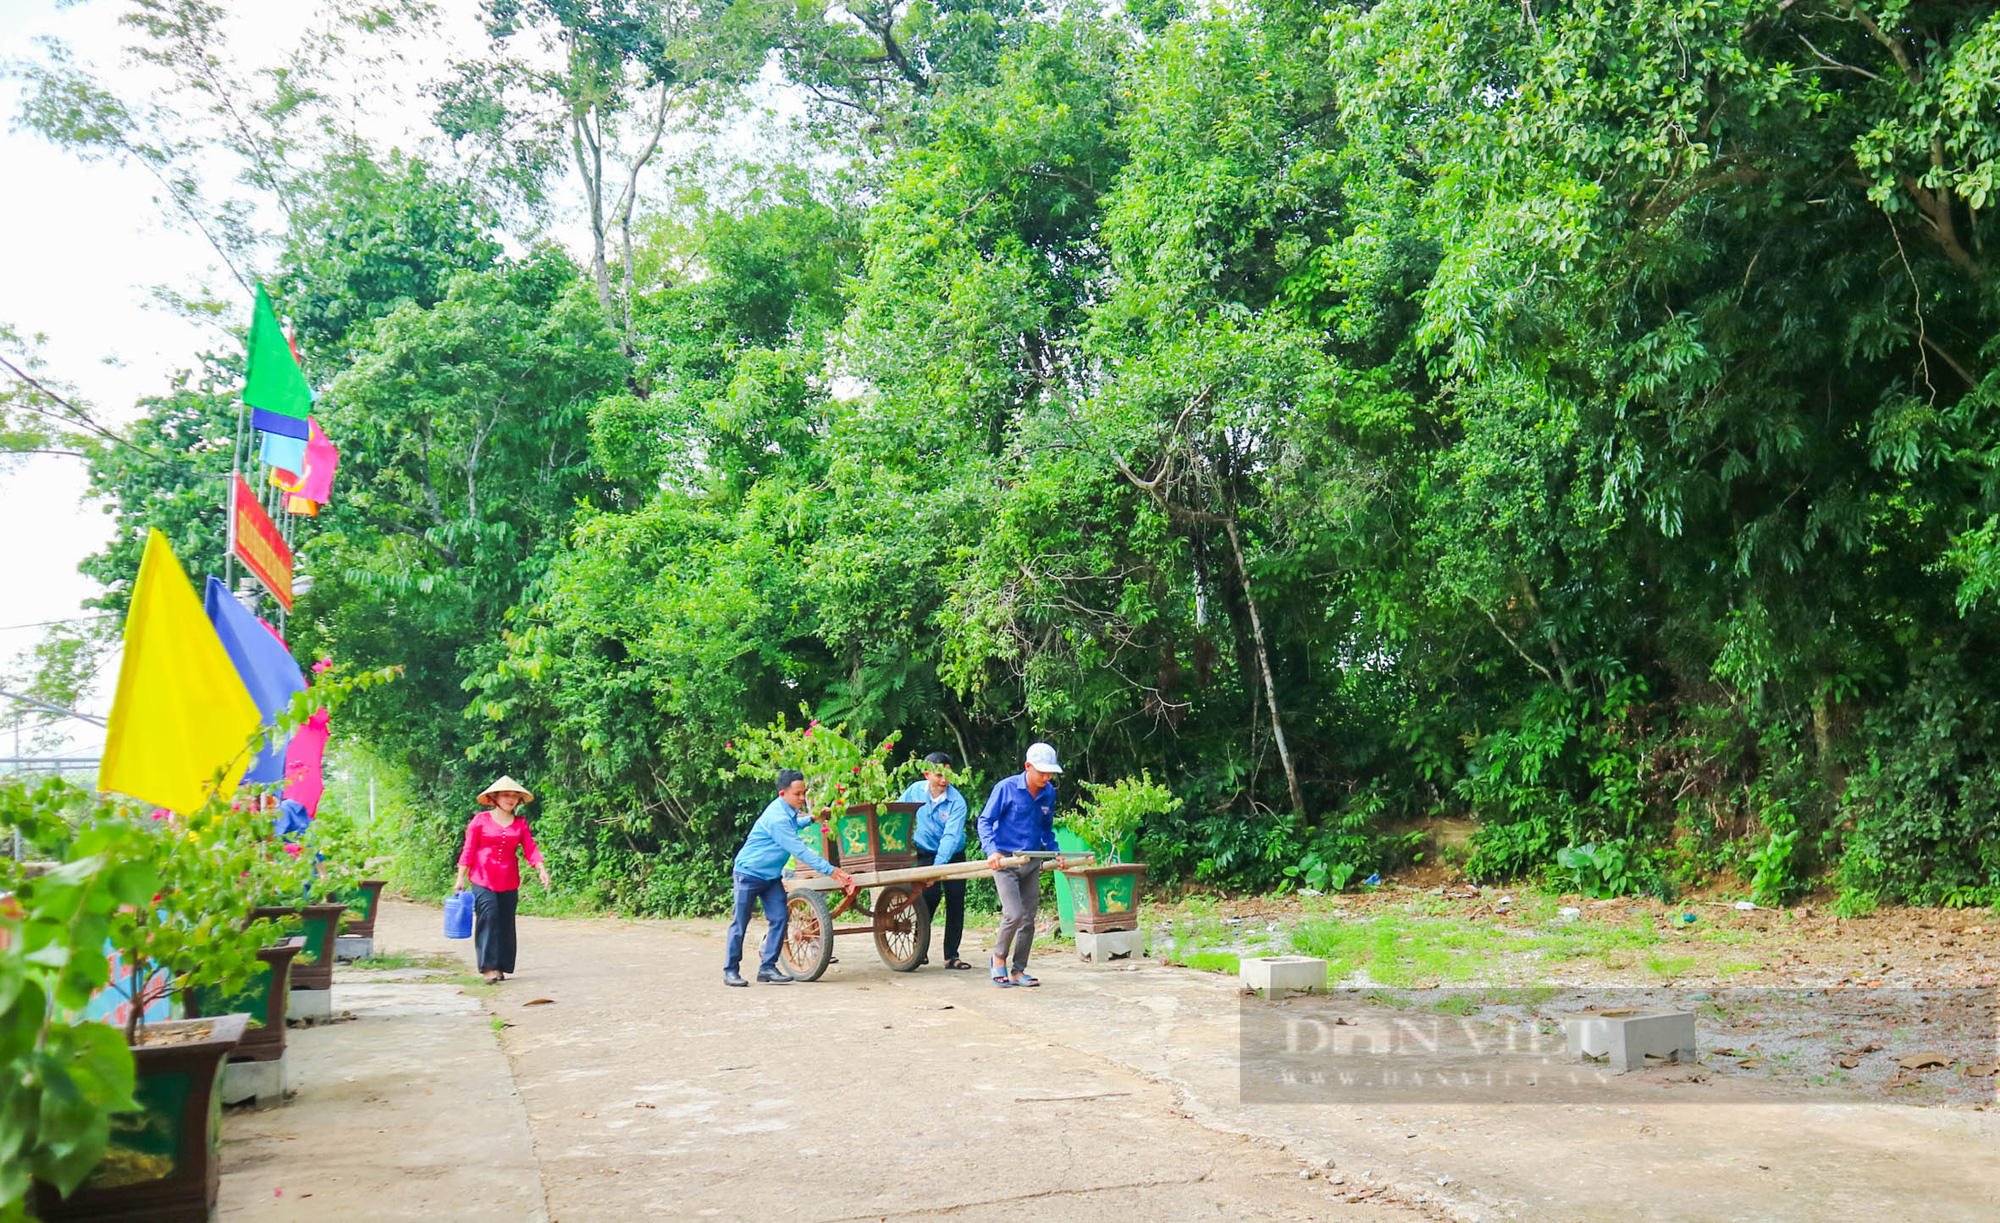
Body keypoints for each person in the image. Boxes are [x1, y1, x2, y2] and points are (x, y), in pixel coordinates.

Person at [727, 769, 856, 987]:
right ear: (782, 794)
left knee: (780, 918)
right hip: (748, 874)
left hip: (770, 877)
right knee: (740, 922)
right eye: (798, 794)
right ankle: (731, 970)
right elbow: (801, 851)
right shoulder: (777, 818)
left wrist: (813, 819)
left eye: (803, 793)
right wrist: (834, 871)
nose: (803, 798)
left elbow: (795, 824)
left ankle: (767, 967)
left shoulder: (787, 810)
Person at [979, 742, 1064, 988]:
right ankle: (998, 958)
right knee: (1013, 914)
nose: (1046, 777)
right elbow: (985, 820)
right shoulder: (1006, 789)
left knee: (1028, 918)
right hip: (1005, 859)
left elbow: (1046, 828)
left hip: (1032, 859)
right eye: (1042, 772)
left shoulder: (1048, 792)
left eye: (1050, 773)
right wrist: (991, 850)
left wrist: (1055, 851)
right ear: (1028, 767)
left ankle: (1019, 970)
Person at [454, 775, 550, 985]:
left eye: (515, 796)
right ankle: (488, 967)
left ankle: (501, 965)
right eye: (506, 795)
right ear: (495, 797)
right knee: (488, 915)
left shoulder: (520, 824)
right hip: (482, 876)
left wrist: (541, 868)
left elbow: (530, 848)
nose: (510, 799)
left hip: (508, 878)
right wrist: (460, 878)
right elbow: (468, 849)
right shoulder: (480, 821)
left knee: (505, 920)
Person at [899, 752, 971, 969]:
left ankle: (951, 956)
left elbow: (950, 838)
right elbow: (896, 814)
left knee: (955, 900)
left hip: (953, 854)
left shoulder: (957, 802)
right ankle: (918, 949)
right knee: (928, 899)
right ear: (927, 773)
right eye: (939, 775)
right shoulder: (913, 791)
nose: (943, 780)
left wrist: (937, 869)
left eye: (947, 775)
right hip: (925, 852)